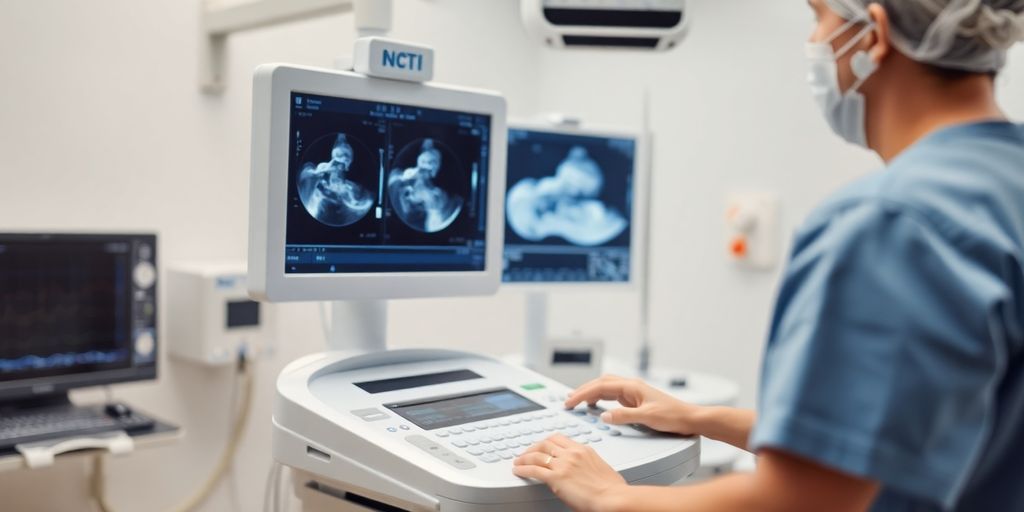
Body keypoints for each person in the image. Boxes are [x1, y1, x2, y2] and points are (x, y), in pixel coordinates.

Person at [513, 1, 1024, 510]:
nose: (815, 41)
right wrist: (699, 418)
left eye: (819, 17)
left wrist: (611, 498)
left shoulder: (889, 223)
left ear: (875, 35)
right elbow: (902, 432)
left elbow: (804, 500)